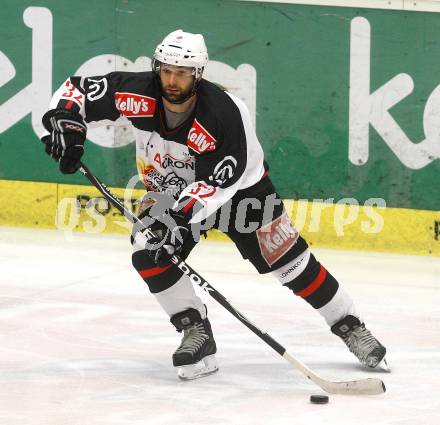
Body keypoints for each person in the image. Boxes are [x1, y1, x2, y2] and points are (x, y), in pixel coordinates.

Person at [40, 29, 387, 380]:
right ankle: (196, 331)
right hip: (169, 191)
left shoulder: (223, 114)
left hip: (242, 193)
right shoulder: (137, 91)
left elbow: (218, 183)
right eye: (166, 70)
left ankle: (349, 325)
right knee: (149, 252)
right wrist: (66, 125)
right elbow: (77, 91)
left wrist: (175, 220)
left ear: (198, 74)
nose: (172, 80)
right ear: (157, 67)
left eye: (182, 73)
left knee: (291, 264)